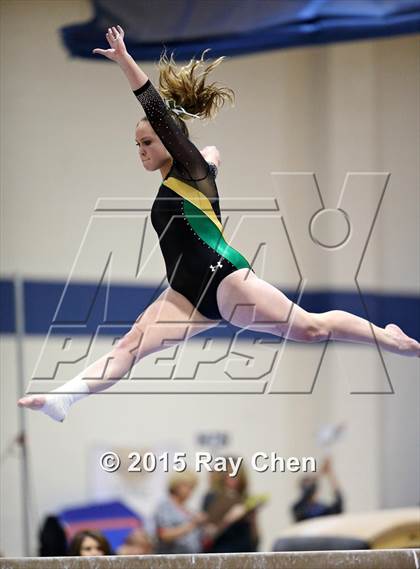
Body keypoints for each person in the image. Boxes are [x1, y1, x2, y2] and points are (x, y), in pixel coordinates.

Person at [18, 26, 420, 422]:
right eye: (137, 145)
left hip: (225, 277)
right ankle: (62, 398)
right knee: (128, 346)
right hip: (185, 295)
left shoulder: (190, 168)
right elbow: (212, 154)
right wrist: (212, 160)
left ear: (171, 140)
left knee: (311, 330)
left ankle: (388, 337)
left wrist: (125, 61)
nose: (141, 151)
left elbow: (159, 111)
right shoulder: (196, 171)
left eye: (149, 142)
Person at [202, 457, 260, 552]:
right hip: (220, 550)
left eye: (237, 475)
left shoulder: (245, 498)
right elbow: (209, 533)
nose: (233, 478)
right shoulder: (212, 497)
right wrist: (230, 518)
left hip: (244, 550)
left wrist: (252, 518)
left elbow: (254, 536)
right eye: (229, 474)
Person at [154, 471, 207, 554]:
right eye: (187, 487)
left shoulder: (188, 510)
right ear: (176, 485)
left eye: (192, 488)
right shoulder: (165, 507)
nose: (190, 491)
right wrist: (192, 524)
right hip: (172, 559)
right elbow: (164, 534)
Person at [291, 457, 344, 522]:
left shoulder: (322, 509)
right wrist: (320, 471)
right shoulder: (298, 508)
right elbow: (309, 492)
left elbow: (339, 505)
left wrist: (330, 474)